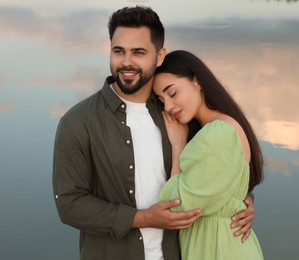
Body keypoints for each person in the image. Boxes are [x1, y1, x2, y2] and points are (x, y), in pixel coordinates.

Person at [52, 6, 255, 260]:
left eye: (138, 52)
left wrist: (243, 203)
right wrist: (143, 218)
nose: (127, 62)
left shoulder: (178, 116)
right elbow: (70, 204)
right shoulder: (78, 122)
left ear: (159, 56)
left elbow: (215, 170)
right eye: (118, 51)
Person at [153, 50, 265, 260]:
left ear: (197, 81)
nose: (168, 106)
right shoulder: (216, 129)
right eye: (161, 100)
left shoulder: (218, 133)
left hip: (221, 250)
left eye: (173, 93)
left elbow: (176, 207)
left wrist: (178, 146)